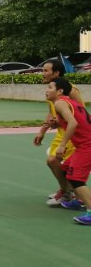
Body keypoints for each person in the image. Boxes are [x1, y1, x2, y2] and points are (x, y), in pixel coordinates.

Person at [34, 58, 84, 206]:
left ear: (56, 73)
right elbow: (51, 112)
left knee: (55, 161)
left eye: (46, 70)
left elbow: (80, 112)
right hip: (61, 132)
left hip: (73, 133)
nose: (43, 73)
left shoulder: (71, 89)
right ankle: (67, 191)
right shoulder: (52, 90)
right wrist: (42, 131)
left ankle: (72, 194)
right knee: (52, 162)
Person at [47, 77, 91, 224]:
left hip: (87, 145)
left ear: (60, 91)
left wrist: (62, 145)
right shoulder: (70, 102)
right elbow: (74, 120)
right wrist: (57, 123)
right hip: (84, 145)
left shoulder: (60, 103)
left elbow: (73, 122)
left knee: (76, 178)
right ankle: (78, 200)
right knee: (65, 168)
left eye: (50, 87)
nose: (46, 90)